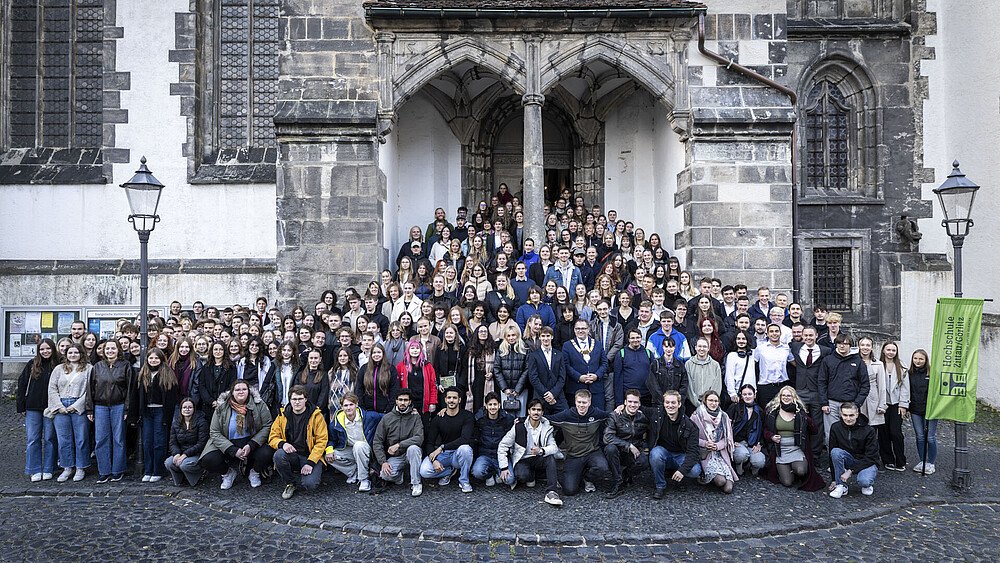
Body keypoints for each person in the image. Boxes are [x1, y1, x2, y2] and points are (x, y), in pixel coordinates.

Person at [198, 379, 274, 490]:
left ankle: (254, 472)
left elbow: (268, 425)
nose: (241, 392)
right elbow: (214, 432)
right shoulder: (222, 406)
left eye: (244, 389)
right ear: (232, 392)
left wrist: (252, 444)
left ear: (249, 391)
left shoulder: (259, 404)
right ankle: (228, 473)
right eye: (237, 389)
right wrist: (232, 449)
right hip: (228, 442)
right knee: (208, 459)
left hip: (252, 441)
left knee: (268, 452)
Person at [497, 398, 563, 506]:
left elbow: (554, 448)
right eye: (533, 409)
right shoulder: (519, 426)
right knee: (522, 475)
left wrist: (541, 450)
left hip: (538, 458)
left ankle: (551, 492)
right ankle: (533, 475)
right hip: (522, 459)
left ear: (542, 412)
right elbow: (503, 445)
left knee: (550, 458)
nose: (536, 412)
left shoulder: (546, 427)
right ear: (529, 411)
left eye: (539, 410)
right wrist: (504, 467)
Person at [268, 385, 328, 499]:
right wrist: (282, 444)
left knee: (310, 485)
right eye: (294, 399)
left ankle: (314, 470)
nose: (297, 402)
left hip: (310, 456)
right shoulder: (282, 415)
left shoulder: (316, 416)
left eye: (300, 399)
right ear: (290, 400)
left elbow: (322, 441)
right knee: (279, 455)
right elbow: (272, 437)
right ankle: (290, 483)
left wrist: (311, 462)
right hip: (292, 455)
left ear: (305, 399)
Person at [548, 389, 611, 495]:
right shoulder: (566, 415)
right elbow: (547, 419)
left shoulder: (596, 413)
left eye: (584, 403)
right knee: (569, 490)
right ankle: (577, 475)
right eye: (579, 402)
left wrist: (621, 408)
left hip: (593, 452)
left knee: (603, 467)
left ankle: (588, 478)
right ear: (575, 401)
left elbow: (610, 415)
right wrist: (522, 420)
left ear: (589, 403)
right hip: (574, 455)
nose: (581, 405)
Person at [762, 385, 825, 491]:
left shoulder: (799, 411)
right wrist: (771, 437)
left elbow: (814, 431)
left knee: (801, 471)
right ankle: (787, 469)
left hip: (797, 448)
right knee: (787, 482)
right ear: (780, 397)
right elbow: (765, 430)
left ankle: (795, 467)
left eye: (789, 396)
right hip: (780, 450)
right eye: (784, 395)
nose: (786, 397)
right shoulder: (772, 411)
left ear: (794, 397)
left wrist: (804, 418)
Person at [88, 339, 133, 483]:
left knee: (118, 439)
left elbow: (130, 389)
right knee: (101, 439)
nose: (110, 351)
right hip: (100, 406)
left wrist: (127, 408)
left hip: (119, 405)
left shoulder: (126, 366)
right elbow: (90, 389)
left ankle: (117, 470)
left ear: (118, 350)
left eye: (113, 348)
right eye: (107, 349)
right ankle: (104, 471)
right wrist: (90, 409)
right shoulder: (97, 366)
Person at [133, 347, 178, 482]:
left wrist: (167, 417)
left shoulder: (167, 373)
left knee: (159, 442)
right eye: (151, 358)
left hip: (161, 411)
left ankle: (158, 470)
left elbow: (171, 398)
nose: (153, 360)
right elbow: (136, 396)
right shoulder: (143, 373)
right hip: (147, 412)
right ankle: (148, 470)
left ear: (161, 359)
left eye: (156, 358)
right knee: (147, 442)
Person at [46, 342, 90, 482]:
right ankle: (67, 468)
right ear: (66, 354)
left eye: (76, 352)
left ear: (81, 354)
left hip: (78, 406)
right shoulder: (59, 369)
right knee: (64, 439)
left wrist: (77, 406)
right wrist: (59, 406)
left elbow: (90, 390)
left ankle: (80, 468)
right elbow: (52, 388)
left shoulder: (88, 368)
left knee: (81, 438)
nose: (73, 355)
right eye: (70, 352)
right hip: (61, 406)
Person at [419, 387, 476, 492]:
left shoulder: (467, 416)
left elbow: (465, 439)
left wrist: (442, 447)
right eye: (449, 397)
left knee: (466, 449)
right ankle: (449, 471)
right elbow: (430, 442)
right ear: (445, 400)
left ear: (459, 400)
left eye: (454, 398)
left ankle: (464, 480)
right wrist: (434, 460)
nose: (451, 400)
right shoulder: (438, 418)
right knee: (424, 471)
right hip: (444, 454)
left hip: (458, 454)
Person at [17, 338, 59, 481]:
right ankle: (34, 469)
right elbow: (22, 384)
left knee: (49, 438)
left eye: (48, 349)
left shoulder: (57, 365)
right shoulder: (32, 364)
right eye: (42, 349)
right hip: (32, 407)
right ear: (38, 351)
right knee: (33, 439)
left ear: (53, 349)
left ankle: (48, 468)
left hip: (51, 407)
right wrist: (21, 405)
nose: (45, 351)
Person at [647, 390, 701, 499]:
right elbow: (638, 408)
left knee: (695, 470)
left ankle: (679, 479)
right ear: (664, 403)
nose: (670, 406)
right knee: (655, 453)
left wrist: (682, 471)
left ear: (679, 404)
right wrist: (621, 406)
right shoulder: (657, 415)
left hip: (681, 455)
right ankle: (660, 485)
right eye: (667, 402)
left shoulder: (690, 425)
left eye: (673, 403)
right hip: (664, 453)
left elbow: (693, 452)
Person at [818, 334, 869, 444]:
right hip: (831, 404)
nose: (842, 346)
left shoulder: (858, 362)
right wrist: (824, 403)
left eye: (845, 344)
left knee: (850, 436)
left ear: (850, 345)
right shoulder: (828, 360)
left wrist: (857, 404)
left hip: (850, 404)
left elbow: (865, 385)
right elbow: (822, 382)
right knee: (830, 435)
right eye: (840, 343)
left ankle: (850, 460)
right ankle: (832, 460)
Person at [373, 390, 426, 496]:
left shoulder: (415, 417)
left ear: (410, 402)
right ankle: (399, 476)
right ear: (396, 401)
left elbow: (419, 438)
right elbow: (377, 441)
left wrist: (399, 445)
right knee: (385, 475)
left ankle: (416, 483)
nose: (403, 403)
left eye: (406, 400)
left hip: (411, 453)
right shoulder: (387, 418)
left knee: (413, 449)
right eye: (400, 400)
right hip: (396, 456)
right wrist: (383, 462)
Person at [788, 326, 829, 459]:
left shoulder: (825, 351)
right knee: (799, 422)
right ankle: (801, 452)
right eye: (806, 335)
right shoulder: (795, 347)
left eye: (811, 335)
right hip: (800, 390)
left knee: (817, 424)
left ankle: (815, 454)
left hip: (817, 391)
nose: (808, 338)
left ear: (816, 336)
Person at [603, 388, 650, 497]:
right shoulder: (615, 416)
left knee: (644, 462)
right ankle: (618, 482)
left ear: (639, 404)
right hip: (617, 451)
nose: (632, 405)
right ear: (625, 402)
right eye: (630, 401)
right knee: (610, 448)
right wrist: (628, 445)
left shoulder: (643, 417)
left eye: (635, 402)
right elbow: (607, 437)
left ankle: (627, 475)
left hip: (632, 452)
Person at [828, 402, 879, 498]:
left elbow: (871, 457)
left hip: (866, 461)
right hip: (849, 458)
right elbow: (832, 454)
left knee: (865, 482)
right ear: (841, 414)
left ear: (857, 414)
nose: (848, 418)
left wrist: (850, 471)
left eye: (851, 415)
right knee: (835, 452)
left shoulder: (868, 430)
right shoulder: (836, 427)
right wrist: (834, 479)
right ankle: (841, 486)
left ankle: (868, 484)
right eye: (845, 415)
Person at [689, 390, 737, 493]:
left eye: (716, 401)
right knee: (720, 481)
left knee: (728, 489)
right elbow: (690, 438)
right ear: (705, 401)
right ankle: (706, 475)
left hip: (720, 454)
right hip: (706, 455)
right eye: (710, 400)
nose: (713, 403)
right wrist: (705, 443)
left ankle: (713, 476)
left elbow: (728, 438)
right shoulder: (696, 416)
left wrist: (718, 445)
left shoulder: (724, 417)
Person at [563, 318, 612, 410]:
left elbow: (604, 363)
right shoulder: (567, 345)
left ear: (588, 329)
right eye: (578, 329)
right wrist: (579, 377)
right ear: (574, 330)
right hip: (576, 388)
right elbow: (566, 365)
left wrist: (597, 375)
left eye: (583, 328)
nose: (580, 331)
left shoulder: (597, 344)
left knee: (598, 416)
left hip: (596, 389)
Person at [470, 392, 515, 486]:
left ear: (499, 405)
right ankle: (490, 474)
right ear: (486, 406)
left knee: (510, 480)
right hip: (485, 455)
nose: (492, 407)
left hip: (501, 456)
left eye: (495, 404)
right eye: (490, 404)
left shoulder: (507, 419)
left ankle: (498, 472)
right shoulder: (480, 419)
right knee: (477, 472)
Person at [165, 397, 208, 486]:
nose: (187, 410)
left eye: (190, 407)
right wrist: (176, 454)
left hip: (196, 453)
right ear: (181, 409)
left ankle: (198, 477)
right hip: (181, 452)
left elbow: (201, 443)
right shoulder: (176, 423)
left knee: (185, 465)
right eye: (184, 407)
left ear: (194, 409)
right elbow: (173, 442)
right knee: (169, 463)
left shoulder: (201, 422)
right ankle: (181, 479)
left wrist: (185, 455)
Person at [879, 341, 910, 470]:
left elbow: (905, 387)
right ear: (883, 351)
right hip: (882, 403)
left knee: (895, 432)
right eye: (888, 350)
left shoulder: (902, 366)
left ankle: (900, 460)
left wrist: (903, 405)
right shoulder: (878, 364)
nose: (891, 352)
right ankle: (888, 459)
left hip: (897, 404)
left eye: (893, 350)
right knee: (883, 433)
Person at [857, 336, 887, 460]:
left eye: (867, 345)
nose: (865, 347)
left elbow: (882, 386)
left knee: (871, 431)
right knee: (857, 429)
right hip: (857, 397)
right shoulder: (854, 360)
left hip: (873, 399)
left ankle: (871, 458)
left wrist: (882, 405)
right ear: (858, 346)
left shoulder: (878, 364)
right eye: (862, 345)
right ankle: (858, 457)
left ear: (872, 347)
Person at [907, 349, 937, 474]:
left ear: (925, 360)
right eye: (915, 358)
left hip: (930, 411)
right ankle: (922, 460)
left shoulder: (931, 374)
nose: (918, 361)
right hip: (915, 410)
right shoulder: (909, 374)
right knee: (920, 437)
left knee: (930, 437)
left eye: (921, 359)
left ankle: (931, 462)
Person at [526, 327, 568, 414]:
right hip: (540, 396)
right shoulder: (533, 355)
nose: (546, 339)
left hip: (558, 396)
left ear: (552, 337)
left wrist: (553, 393)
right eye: (543, 336)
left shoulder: (559, 354)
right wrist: (546, 394)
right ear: (540, 337)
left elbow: (562, 377)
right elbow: (533, 378)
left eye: (548, 336)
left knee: (565, 418)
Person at [726, 384, 766, 476]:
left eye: (749, 394)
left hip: (752, 443)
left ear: (754, 395)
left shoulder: (759, 411)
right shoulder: (735, 407)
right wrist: (731, 440)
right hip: (737, 442)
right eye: (745, 394)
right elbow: (726, 425)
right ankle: (739, 466)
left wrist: (760, 443)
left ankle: (753, 468)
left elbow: (763, 429)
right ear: (741, 396)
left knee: (760, 461)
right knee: (741, 455)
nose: (747, 397)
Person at [753, 324, 794, 408]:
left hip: (782, 386)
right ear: (767, 334)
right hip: (765, 387)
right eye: (771, 331)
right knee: (766, 414)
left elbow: (794, 363)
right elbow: (752, 365)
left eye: (776, 331)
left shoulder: (786, 348)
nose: (774, 333)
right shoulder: (760, 348)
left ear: (780, 333)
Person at [196, 341, 238, 418]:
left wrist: (221, 400)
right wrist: (211, 401)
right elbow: (202, 386)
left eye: (221, 349)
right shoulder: (206, 367)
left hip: (225, 404)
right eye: (215, 349)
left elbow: (232, 385)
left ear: (224, 351)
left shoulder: (231, 367)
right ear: (212, 351)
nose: (218, 352)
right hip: (208, 405)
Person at [614, 329, 654, 406]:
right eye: (632, 338)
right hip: (629, 397)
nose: (635, 340)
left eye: (637, 337)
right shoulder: (621, 354)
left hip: (646, 396)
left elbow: (654, 376)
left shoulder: (648, 353)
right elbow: (617, 379)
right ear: (628, 339)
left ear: (641, 338)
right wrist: (619, 402)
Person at [495, 326, 529, 417]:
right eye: (508, 336)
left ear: (518, 335)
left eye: (513, 335)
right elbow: (497, 369)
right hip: (506, 390)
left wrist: (518, 389)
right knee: (507, 417)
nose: (511, 338)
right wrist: (505, 388)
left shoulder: (525, 349)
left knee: (521, 416)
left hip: (521, 390)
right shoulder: (501, 349)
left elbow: (527, 369)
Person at [685, 338, 722, 414]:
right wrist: (697, 403)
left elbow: (717, 385)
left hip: (710, 405)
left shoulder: (715, 365)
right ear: (695, 347)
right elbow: (689, 386)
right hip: (692, 405)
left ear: (708, 348)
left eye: (704, 347)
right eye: (699, 346)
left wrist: (709, 402)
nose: (702, 349)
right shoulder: (688, 364)